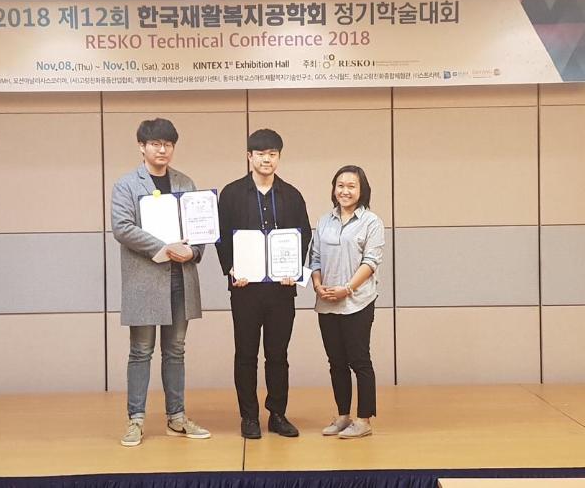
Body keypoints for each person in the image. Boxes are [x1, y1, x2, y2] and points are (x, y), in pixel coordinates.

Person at [110, 118, 211, 447]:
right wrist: (164, 247)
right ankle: (135, 420)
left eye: (168, 144)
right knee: (141, 351)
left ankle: (177, 418)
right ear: (142, 147)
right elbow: (122, 227)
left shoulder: (185, 182)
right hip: (144, 279)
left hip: (180, 277)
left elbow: (201, 227)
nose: (162, 150)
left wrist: (194, 251)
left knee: (176, 351)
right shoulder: (126, 185)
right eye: (155, 144)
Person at [216, 129, 312, 439]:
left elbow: (304, 235)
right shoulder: (231, 194)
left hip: (281, 290)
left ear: (279, 157)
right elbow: (221, 236)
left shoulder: (292, 195)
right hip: (245, 289)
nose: (266, 159)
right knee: (245, 354)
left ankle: (277, 414)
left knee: (278, 354)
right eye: (260, 154)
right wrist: (231, 269)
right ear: (249, 157)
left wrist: (295, 270)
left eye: (272, 154)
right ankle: (249, 417)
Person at [309, 165, 385, 439]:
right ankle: (343, 416)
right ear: (334, 189)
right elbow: (315, 258)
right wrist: (318, 285)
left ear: (362, 190)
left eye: (351, 186)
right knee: (336, 362)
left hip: (358, 302)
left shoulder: (372, 222)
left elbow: (371, 262)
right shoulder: (324, 221)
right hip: (327, 302)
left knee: (359, 361)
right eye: (340, 185)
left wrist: (347, 289)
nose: (345, 191)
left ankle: (364, 420)